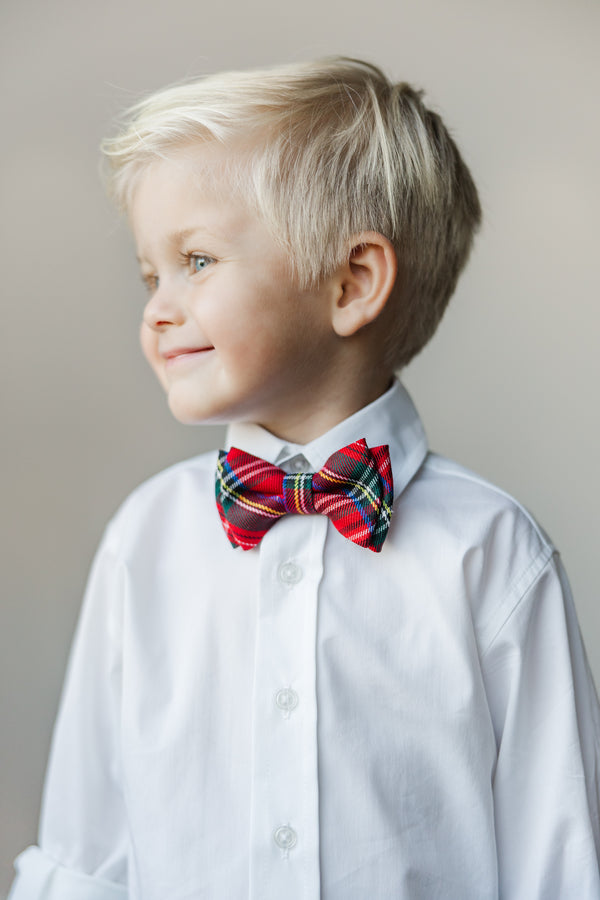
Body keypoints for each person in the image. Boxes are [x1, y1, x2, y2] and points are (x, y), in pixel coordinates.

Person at [8, 57, 600, 900]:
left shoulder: (494, 554)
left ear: (352, 283)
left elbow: (560, 863)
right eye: (151, 274)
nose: (157, 308)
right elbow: (87, 855)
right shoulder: (146, 540)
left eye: (198, 261)